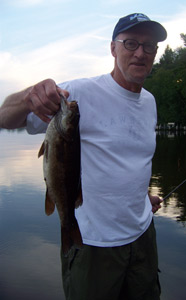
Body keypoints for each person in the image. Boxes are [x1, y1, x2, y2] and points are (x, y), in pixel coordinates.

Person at [0, 13, 167, 300]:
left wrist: (142, 197)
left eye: (149, 46)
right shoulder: (78, 93)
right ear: (113, 48)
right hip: (94, 246)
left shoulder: (149, 101)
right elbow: (4, 118)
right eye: (130, 43)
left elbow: (132, 161)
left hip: (143, 239)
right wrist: (30, 94)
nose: (140, 53)